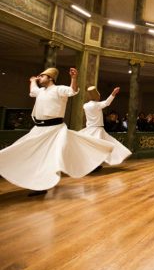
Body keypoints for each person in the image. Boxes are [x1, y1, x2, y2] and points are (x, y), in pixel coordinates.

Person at [0, 67, 114, 195]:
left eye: (42, 76)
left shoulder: (59, 89)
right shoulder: (41, 91)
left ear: (50, 78)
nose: (40, 78)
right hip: (38, 129)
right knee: (20, 149)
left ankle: (41, 184)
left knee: (47, 158)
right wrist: (32, 80)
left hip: (54, 130)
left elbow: (73, 90)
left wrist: (74, 78)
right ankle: (35, 181)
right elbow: (33, 91)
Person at [79, 86, 132, 166]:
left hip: (89, 129)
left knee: (92, 148)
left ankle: (93, 164)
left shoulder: (85, 105)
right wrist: (114, 93)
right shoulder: (97, 105)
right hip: (97, 129)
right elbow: (107, 102)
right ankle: (94, 164)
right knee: (108, 145)